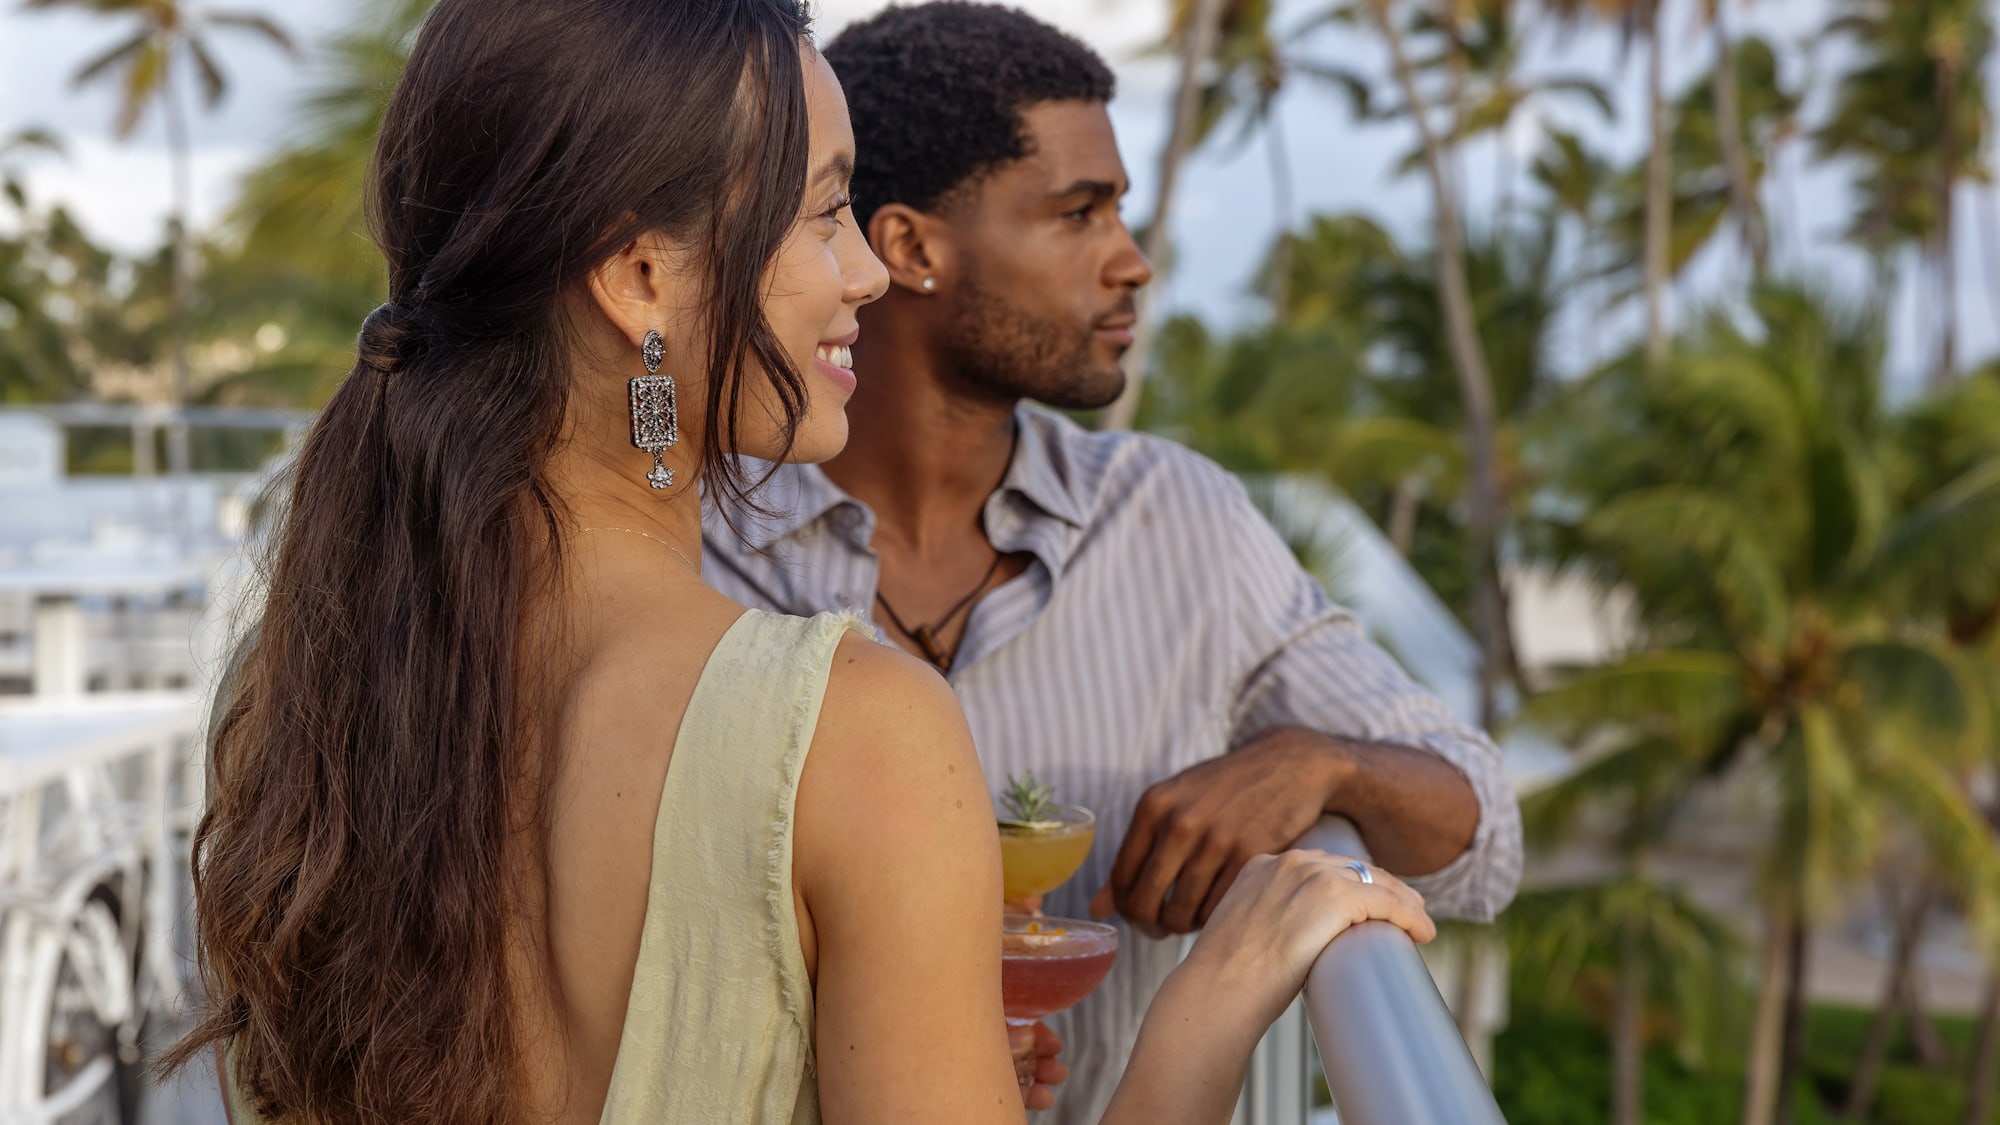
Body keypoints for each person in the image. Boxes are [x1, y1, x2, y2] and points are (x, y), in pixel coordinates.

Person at [163, 0, 1436, 1122]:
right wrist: (1209, 1009)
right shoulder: (844, 727)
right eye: (827, 209)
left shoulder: (302, 681)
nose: (869, 273)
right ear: (643, 277)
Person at [701, 4, 1524, 1120]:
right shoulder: (696, 541)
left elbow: (1479, 827)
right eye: (1078, 213)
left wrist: (1322, 764)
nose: (1131, 263)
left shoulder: (1178, 521)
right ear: (908, 249)